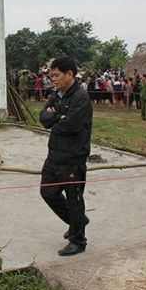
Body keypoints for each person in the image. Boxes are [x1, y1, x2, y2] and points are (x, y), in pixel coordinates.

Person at [39, 56, 92, 257]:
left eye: (56, 75)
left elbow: (70, 126)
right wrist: (56, 117)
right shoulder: (57, 95)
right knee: (48, 193)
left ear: (70, 74)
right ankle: (77, 221)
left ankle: (78, 240)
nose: (53, 79)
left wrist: (56, 119)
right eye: (51, 76)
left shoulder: (80, 97)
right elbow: (43, 118)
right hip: (54, 155)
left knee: (74, 200)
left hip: (73, 158)